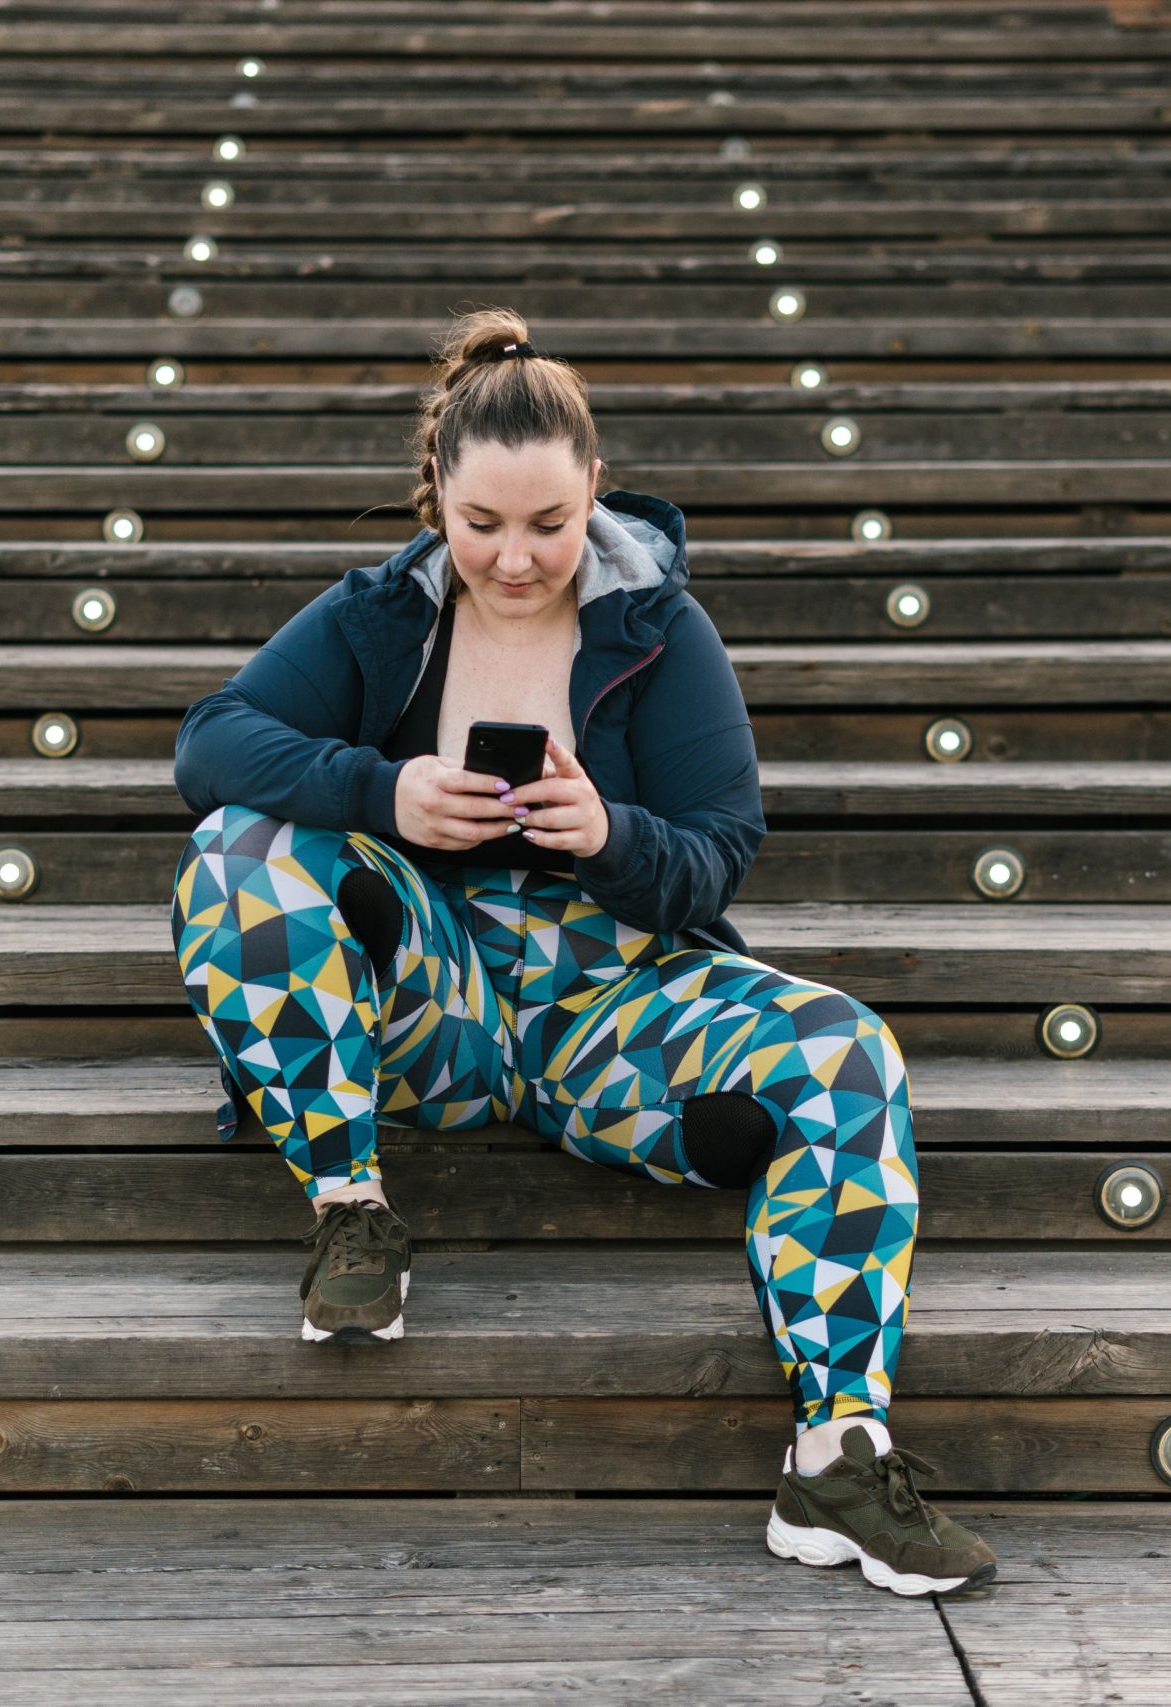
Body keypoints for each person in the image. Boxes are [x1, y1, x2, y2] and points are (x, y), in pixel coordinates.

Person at [166, 308, 994, 1596]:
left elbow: (723, 847)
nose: (514, 559)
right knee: (239, 845)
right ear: (434, 493)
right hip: (430, 1001)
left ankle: (838, 1457)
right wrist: (383, 794)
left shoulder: (660, 627)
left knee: (850, 1053)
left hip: (616, 1003)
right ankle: (351, 1207)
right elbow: (211, 743)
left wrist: (610, 835)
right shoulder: (379, 615)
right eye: (482, 525)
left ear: (595, 492)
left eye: (548, 526)